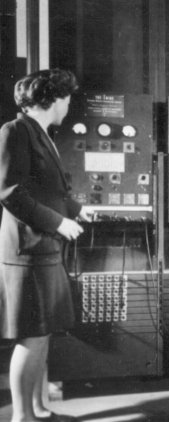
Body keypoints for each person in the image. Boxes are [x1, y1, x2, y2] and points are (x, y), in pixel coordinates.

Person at [0, 69, 91, 422]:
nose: (69, 106)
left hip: (45, 249)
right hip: (28, 252)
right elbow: (10, 193)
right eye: (67, 100)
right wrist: (59, 223)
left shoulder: (41, 134)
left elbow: (50, 192)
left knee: (44, 334)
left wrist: (80, 211)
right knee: (32, 337)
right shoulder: (15, 131)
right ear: (53, 100)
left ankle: (39, 408)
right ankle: (22, 418)